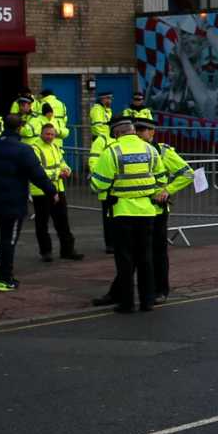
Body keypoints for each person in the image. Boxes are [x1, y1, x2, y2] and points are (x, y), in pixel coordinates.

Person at [0, 114, 58, 292]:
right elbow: (37, 174)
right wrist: (52, 191)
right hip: (14, 201)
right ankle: (4, 278)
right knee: (9, 239)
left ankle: (2, 270)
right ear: (19, 128)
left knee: (5, 235)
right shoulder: (23, 149)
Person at [90, 115, 164, 313]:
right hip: (147, 211)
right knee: (145, 258)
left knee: (125, 259)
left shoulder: (112, 152)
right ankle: (147, 301)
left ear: (116, 133)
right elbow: (161, 178)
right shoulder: (150, 149)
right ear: (132, 130)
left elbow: (98, 183)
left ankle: (127, 303)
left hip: (122, 211)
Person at [141, 118, 194, 304]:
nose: (140, 133)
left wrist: (167, 190)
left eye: (144, 130)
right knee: (133, 252)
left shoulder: (162, 151)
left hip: (156, 210)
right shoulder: (133, 151)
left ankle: (161, 290)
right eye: (137, 130)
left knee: (158, 252)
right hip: (136, 210)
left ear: (152, 132)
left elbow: (188, 173)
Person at [29, 121, 81, 262]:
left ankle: (68, 250)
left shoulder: (55, 147)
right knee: (42, 223)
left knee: (63, 221)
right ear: (41, 133)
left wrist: (67, 170)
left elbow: (63, 163)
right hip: (41, 191)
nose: (50, 136)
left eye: (52, 134)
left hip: (59, 189)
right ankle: (46, 252)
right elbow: (38, 171)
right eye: (47, 134)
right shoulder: (35, 148)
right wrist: (59, 173)